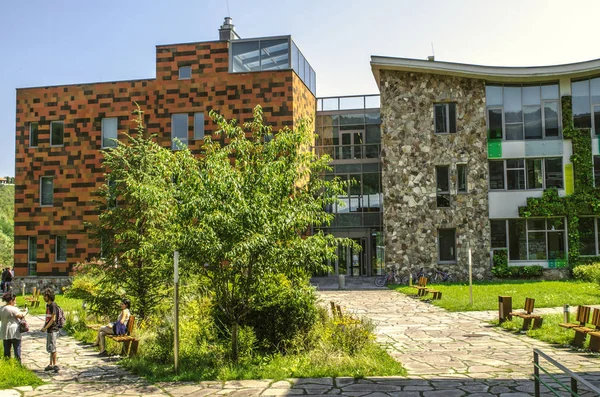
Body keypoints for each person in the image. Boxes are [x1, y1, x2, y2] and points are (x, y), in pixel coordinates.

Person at [0, 291, 28, 361]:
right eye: (14, 300)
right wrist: (26, 311)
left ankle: (7, 363)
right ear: (11, 300)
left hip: (4, 331)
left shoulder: (1, 308)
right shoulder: (13, 309)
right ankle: (18, 364)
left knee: (6, 350)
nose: (15, 301)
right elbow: (21, 316)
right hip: (14, 331)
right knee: (17, 349)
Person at [40, 288, 59, 372]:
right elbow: (47, 318)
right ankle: (50, 364)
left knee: (53, 347)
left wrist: (45, 328)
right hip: (49, 329)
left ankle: (55, 365)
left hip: (53, 329)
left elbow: (53, 319)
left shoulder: (53, 305)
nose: (44, 297)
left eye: (45, 296)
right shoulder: (47, 305)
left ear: (49, 296)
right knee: (50, 347)